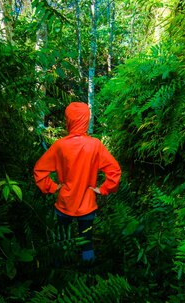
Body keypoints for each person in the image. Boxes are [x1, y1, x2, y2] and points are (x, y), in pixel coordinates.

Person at [33, 102, 121, 262]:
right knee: (87, 243)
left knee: (60, 241)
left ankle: (59, 274)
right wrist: (103, 189)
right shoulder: (95, 145)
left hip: (64, 204)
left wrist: (52, 187)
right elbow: (114, 171)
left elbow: (39, 170)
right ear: (86, 120)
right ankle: (88, 277)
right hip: (87, 204)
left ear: (68, 120)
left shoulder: (60, 146)